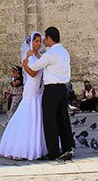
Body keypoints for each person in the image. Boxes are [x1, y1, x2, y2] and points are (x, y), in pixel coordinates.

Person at [25, 26, 74, 161]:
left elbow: (35, 67)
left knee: (50, 121)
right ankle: (68, 147)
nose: (43, 42)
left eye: (44, 38)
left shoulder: (50, 54)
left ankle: (53, 152)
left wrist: (29, 57)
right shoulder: (64, 52)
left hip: (51, 90)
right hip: (63, 89)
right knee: (63, 119)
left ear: (49, 38)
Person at [0, 31, 47, 160]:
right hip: (31, 88)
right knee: (28, 113)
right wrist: (26, 62)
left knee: (39, 116)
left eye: (39, 41)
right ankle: (24, 147)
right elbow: (32, 73)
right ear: (31, 43)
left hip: (39, 89)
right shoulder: (28, 55)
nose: (38, 43)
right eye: (35, 41)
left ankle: (40, 145)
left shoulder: (41, 55)